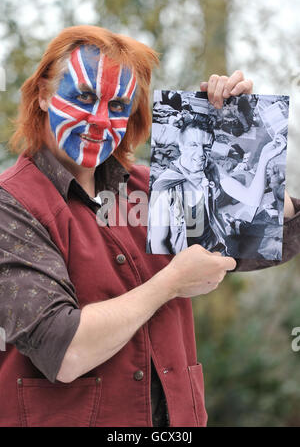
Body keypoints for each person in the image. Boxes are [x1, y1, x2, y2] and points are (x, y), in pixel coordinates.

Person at [0, 25, 299, 428]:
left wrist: (242, 132)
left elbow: (261, 226)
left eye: (118, 105)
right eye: (85, 97)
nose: (100, 120)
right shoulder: (12, 204)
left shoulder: (153, 188)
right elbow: (64, 350)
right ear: (42, 95)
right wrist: (171, 282)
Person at [147, 118, 288, 256]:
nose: (201, 153)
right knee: (274, 246)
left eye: (206, 146)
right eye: (194, 145)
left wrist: (264, 157)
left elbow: (252, 199)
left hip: (218, 244)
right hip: (190, 260)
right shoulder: (164, 187)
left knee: (279, 241)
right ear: (181, 145)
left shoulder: (211, 168)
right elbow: (158, 244)